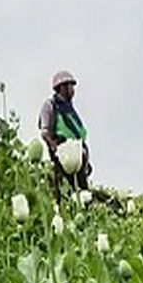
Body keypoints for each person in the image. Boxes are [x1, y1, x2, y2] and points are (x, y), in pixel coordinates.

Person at [39, 70, 90, 201]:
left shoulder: (71, 110)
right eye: (70, 86)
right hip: (62, 153)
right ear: (62, 87)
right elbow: (45, 131)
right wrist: (55, 148)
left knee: (82, 191)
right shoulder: (50, 106)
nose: (73, 90)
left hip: (78, 154)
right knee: (63, 191)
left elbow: (79, 134)